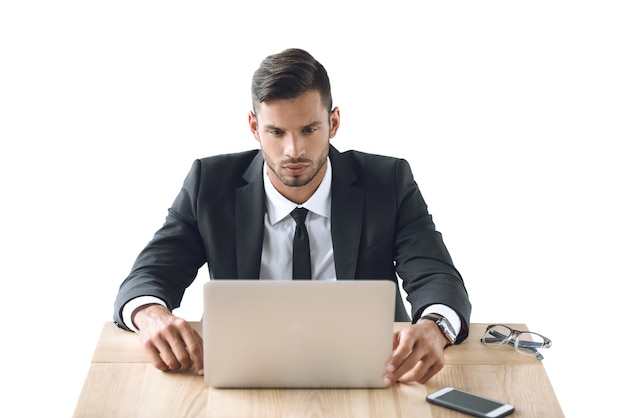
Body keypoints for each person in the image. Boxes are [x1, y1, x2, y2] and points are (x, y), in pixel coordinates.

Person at [113, 48, 472, 386]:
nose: (294, 150)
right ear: (255, 127)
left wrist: (434, 325)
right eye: (276, 132)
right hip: (239, 372)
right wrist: (150, 314)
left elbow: (436, 274)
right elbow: (150, 274)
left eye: (309, 130)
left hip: (374, 373)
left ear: (333, 122)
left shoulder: (388, 182)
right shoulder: (210, 184)